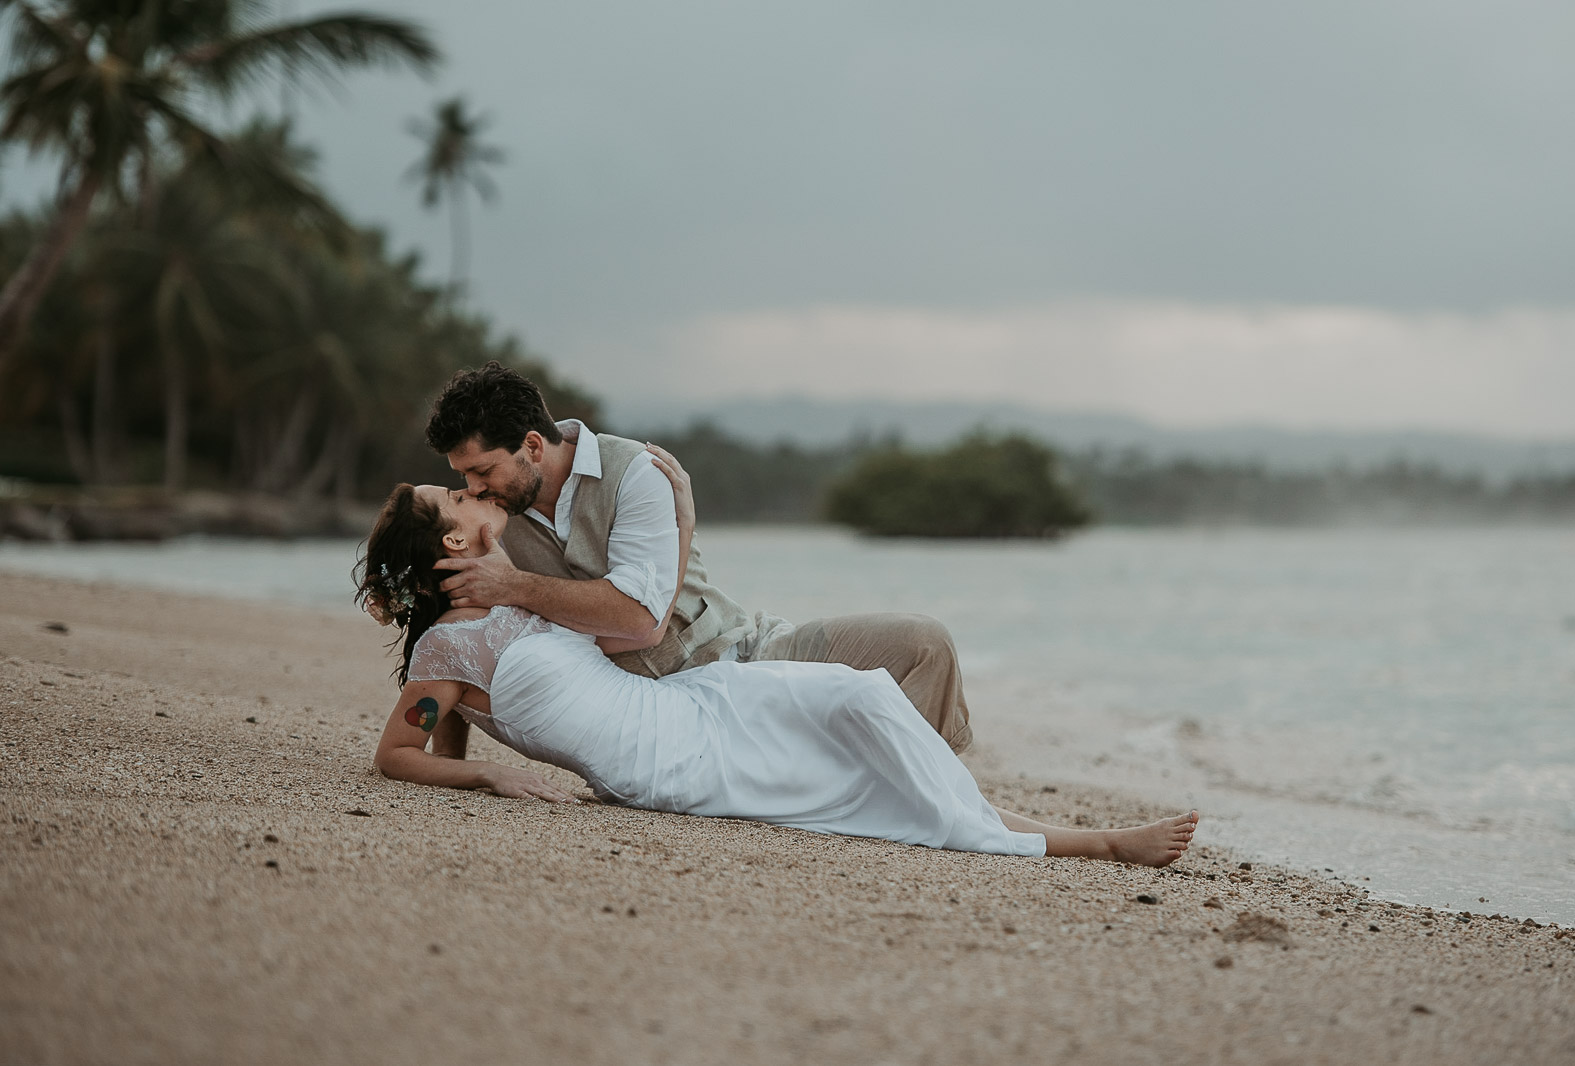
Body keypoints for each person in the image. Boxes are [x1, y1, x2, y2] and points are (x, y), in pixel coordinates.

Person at [356, 479, 1200, 865]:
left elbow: (641, 611)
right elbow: (402, 752)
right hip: (664, 765)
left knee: (865, 702)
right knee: (858, 767)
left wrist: (674, 503)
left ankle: (1035, 831)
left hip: (698, 703)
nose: (472, 494)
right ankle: (1090, 845)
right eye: (457, 497)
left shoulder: (525, 597)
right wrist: (496, 782)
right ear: (456, 542)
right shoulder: (446, 655)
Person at [417, 362, 973, 764]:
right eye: (464, 477)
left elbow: (638, 619)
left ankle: (929, 792)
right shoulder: (490, 518)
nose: (471, 488)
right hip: (660, 719)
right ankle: (900, 789)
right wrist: (449, 758)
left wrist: (515, 586)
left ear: (533, 447)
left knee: (924, 643)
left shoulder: (636, 474)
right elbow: (461, 633)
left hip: (743, 653)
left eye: (482, 471)